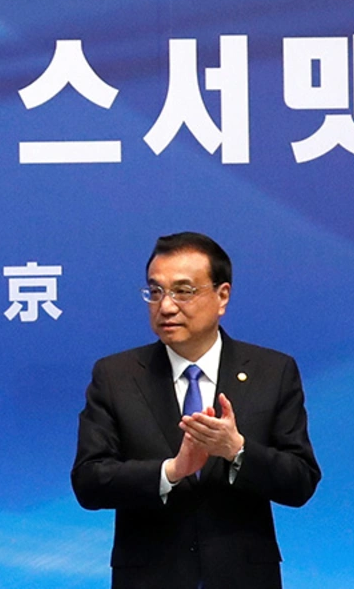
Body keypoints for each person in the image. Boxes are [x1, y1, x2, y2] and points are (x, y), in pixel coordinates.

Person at [72, 232, 320, 589]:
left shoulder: (273, 371)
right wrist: (170, 472)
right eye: (155, 292)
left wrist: (237, 451)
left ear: (222, 296)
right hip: (150, 579)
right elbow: (88, 481)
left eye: (184, 291)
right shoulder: (116, 376)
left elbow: (301, 481)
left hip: (244, 578)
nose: (166, 306)